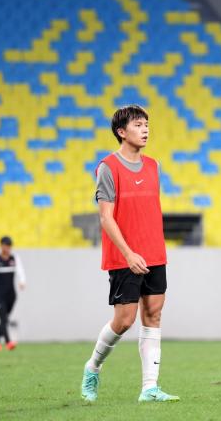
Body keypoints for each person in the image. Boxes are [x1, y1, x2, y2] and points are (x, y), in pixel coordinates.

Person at [80, 105, 179, 403]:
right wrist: (128, 253)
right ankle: (93, 367)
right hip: (125, 256)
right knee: (124, 320)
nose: (145, 129)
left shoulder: (154, 166)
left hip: (155, 252)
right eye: (138, 124)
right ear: (121, 132)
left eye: (146, 124)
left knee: (154, 315)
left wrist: (151, 249)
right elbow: (106, 217)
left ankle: (150, 388)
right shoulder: (108, 167)